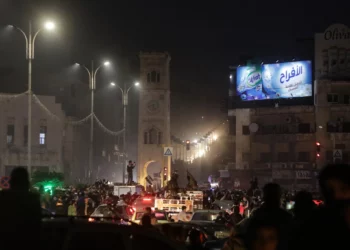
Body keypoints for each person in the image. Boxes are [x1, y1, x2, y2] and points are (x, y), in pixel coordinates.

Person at [0, 167, 42, 249]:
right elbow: (37, 225)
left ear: (11, 182)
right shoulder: (33, 199)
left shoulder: (2, 197)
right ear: (27, 183)